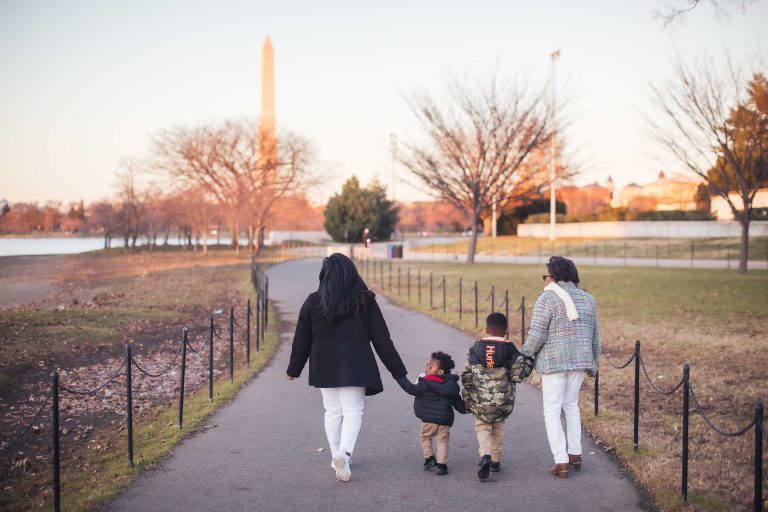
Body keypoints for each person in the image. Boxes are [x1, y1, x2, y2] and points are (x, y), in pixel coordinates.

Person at [286, 253, 407, 482]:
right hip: (357, 362)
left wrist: (294, 368)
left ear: (325, 275)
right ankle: (345, 454)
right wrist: (398, 372)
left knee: (332, 411)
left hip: (324, 362)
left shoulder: (313, 300)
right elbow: (382, 338)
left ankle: (335, 456)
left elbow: (301, 337)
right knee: (353, 411)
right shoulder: (365, 300)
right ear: (352, 273)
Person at [520, 256, 601, 479]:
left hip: (554, 362)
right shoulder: (588, 299)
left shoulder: (547, 298)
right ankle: (576, 454)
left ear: (554, 276)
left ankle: (561, 460)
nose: (545, 280)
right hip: (580, 361)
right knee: (571, 406)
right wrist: (593, 363)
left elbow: (537, 335)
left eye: (546, 275)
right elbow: (596, 337)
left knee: (553, 412)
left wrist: (523, 355)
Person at [462, 312, 533, 481]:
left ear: (487, 329)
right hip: (502, 404)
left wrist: (468, 397)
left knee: (482, 428)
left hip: (480, 402)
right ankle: (495, 461)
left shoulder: (474, 350)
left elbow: (466, 376)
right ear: (505, 331)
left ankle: (485, 455)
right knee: (498, 430)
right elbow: (518, 377)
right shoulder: (512, 351)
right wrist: (529, 362)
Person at [396, 351, 465, 476]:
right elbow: (458, 403)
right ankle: (442, 466)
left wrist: (400, 378)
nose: (426, 367)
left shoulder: (426, 383)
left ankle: (429, 458)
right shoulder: (450, 386)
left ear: (440, 372)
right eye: (427, 365)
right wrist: (467, 408)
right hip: (444, 421)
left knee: (425, 438)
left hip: (428, 421)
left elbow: (412, 389)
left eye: (430, 366)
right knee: (442, 442)